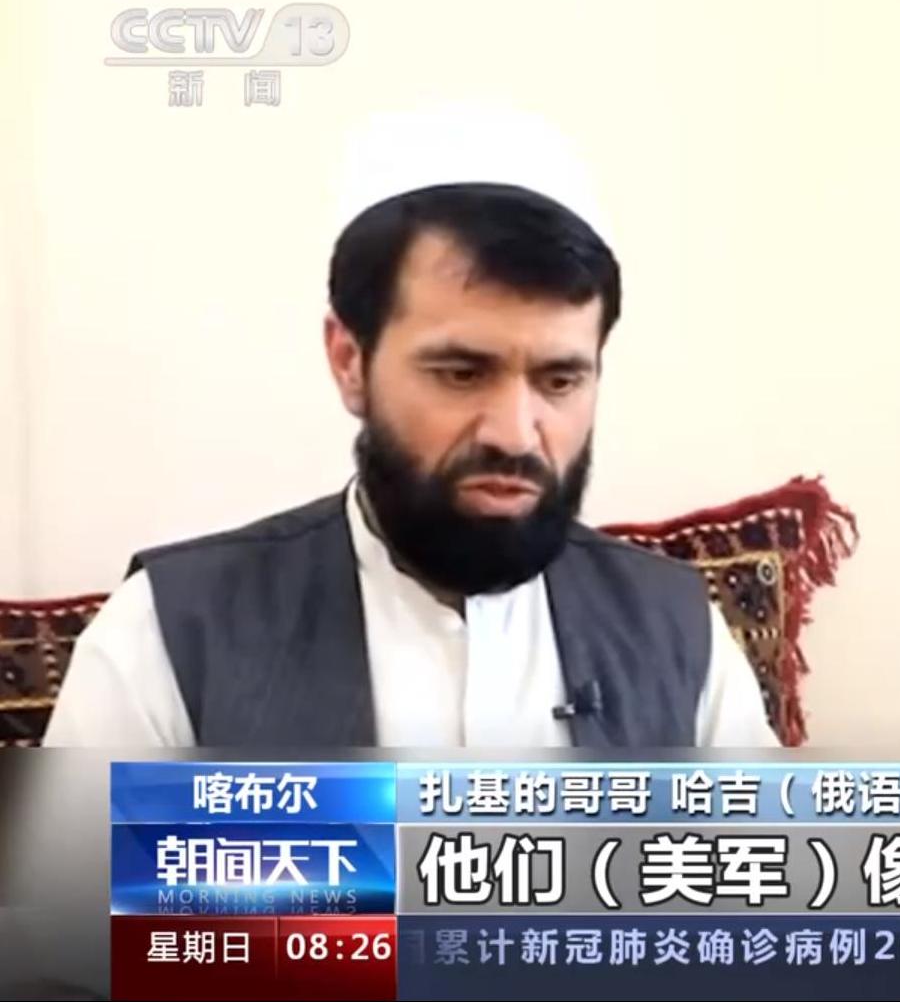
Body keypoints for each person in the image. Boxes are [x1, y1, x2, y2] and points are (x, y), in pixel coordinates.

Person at [43, 180, 780, 749]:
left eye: (560, 380)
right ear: (349, 360)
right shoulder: (168, 632)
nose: (515, 435)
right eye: (460, 373)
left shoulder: (677, 629)